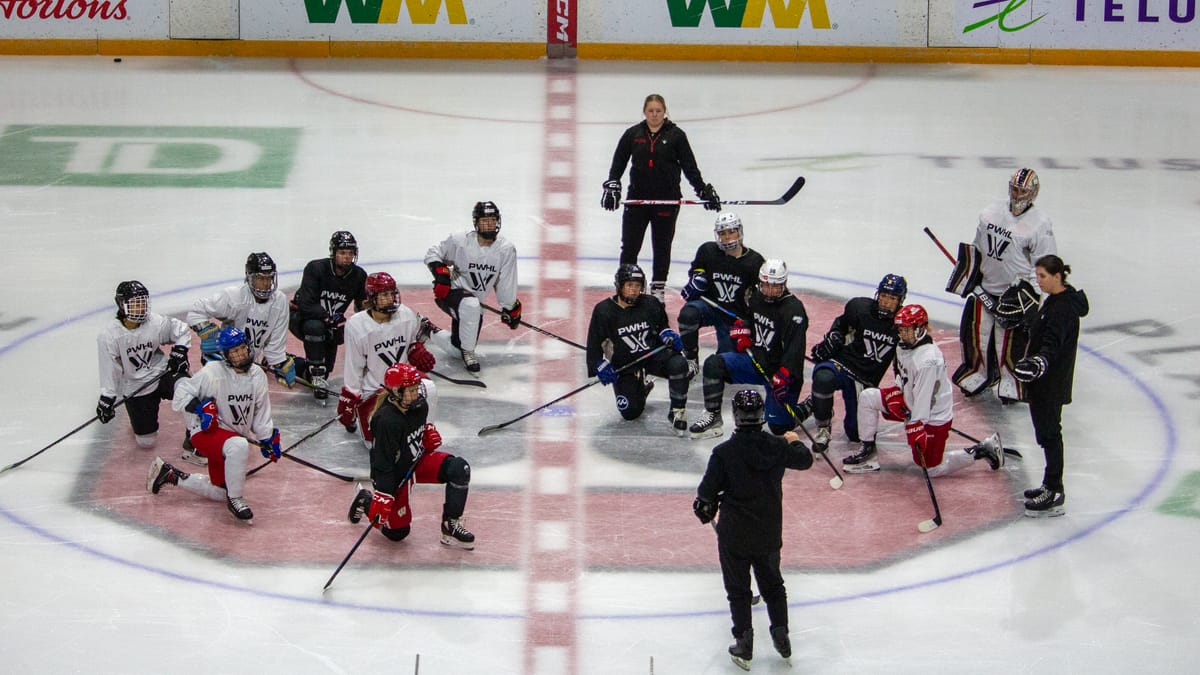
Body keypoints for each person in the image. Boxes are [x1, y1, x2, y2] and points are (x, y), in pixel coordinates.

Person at [693, 389, 813, 670]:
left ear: (735, 416)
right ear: (761, 416)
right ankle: (781, 634)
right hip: (768, 530)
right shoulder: (777, 446)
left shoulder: (723, 453)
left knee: (738, 590)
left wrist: (705, 508)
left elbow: (705, 495)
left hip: (734, 533)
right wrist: (793, 440)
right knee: (773, 585)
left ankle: (744, 644)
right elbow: (805, 460)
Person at [844, 304, 1003, 475]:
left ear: (920, 329)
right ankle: (868, 450)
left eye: (907, 329)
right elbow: (902, 374)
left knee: (930, 469)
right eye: (900, 329)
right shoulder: (902, 345)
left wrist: (917, 426)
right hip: (911, 401)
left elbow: (924, 399)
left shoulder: (928, 360)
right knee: (868, 397)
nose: (903, 334)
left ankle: (982, 450)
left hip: (933, 415)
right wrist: (899, 392)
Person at [148, 327, 281, 522]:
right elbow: (182, 392)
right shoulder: (213, 372)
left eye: (243, 348)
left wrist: (267, 437)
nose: (241, 354)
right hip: (206, 433)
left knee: (220, 491)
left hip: (230, 437)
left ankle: (170, 475)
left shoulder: (257, 375)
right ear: (226, 355)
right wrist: (200, 408)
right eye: (234, 351)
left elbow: (260, 410)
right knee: (239, 445)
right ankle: (236, 499)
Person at [949, 168, 1056, 403]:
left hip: (1014, 295)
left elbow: (1044, 262)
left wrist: (1031, 293)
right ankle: (978, 372)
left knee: (1010, 341)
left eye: (1023, 190)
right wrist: (969, 271)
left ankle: (1011, 381)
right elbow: (978, 246)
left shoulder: (1040, 224)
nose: (1017, 195)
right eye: (1015, 189)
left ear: (1034, 192)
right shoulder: (990, 213)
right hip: (985, 286)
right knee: (977, 333)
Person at [602, 93, 720, 303]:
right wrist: (612, 185)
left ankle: (658, 286)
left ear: (664, 112)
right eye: (650, 111)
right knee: (630, 245)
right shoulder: (633, 134)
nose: (655, 115)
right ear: (644, 112)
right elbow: (618, 163)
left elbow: (689, 167)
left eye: (658, 111)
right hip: (637, 201)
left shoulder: (676, 136)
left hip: (667, 201)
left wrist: (702, 190)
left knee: (662, 245)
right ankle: (625, 283)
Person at [184, 252, 297, 465]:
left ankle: (228, 440)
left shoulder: (280, 301)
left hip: (250, 361)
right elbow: (196, 311)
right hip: (221, 359)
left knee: (242, 403)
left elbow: (275, 342)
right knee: (213, 402)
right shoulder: (233, 297)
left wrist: (279, 362)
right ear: (249, 277)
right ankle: (194, 439)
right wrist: (207, 331)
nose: (265, 284)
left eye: (268, 278)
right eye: (259, 278)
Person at [346, 363, 475, 549]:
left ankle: (450, 526)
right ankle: (365, 500)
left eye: (416, 388)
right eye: (411, 390)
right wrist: (383, 494)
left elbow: (418, 431)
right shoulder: (386, 421)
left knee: (459, 468)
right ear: (396, 391)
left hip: (417, 461)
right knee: (398, 533)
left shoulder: (419, 406)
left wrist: (427, 437)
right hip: (397, 473)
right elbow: (382, 462)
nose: (416, 394)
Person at [690, 259, 808, 439]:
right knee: (714, 365)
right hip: (755, 361)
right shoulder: (756, 296)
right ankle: (713, 415)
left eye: (776, 286)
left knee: (779, 427)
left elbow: (795, 350)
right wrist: (743, 329)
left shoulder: (794, 310)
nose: (770, 290)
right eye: (766, 285)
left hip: (781, 373)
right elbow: (748, 319)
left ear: (784, 284)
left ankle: (807, 406)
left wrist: (784, 376)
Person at [1013, 255, 1089, 517]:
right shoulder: (1055, 301)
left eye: (1043, 276)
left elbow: (1053, 344)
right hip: (1043, 383)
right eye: (1037, 276)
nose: (1039, 282)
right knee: (1046, 434)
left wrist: (1039, 362)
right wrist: (1028, 318)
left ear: (1058, 276)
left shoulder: (1064, 308)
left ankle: (1055, 489)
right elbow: (1043, 330)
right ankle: (1049, 484)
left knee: (1050, 434)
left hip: (1051, 384)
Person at [804, 274, 906, 453]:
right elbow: (840, 324)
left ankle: (816, 403)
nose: (885, 302)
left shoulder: (903, 324)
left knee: (857, 434)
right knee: (823, 377)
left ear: (900, 300)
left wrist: (904, 392)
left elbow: (903, 363)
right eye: (883, 295)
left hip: (865, 381)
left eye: (891, 298)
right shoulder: (860, 308)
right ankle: (823, 427)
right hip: (844, 364)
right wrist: (834, 335)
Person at [585, 263, 691, 435]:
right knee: (630, 412)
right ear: (619, 286)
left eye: (637, 286)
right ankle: (640, 387)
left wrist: (667, 334)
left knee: (678, 363)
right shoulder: (603, 310)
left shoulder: (651, 303)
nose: (634, 290)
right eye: (629, 286)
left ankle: (677, 411)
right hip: (625, 363)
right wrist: (599, 364)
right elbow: (594, 344)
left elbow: (663, 326)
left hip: (652, 356)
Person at [338, 272, 438, 446]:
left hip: (405, 385)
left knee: (429, 387)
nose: (391, 298)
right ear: (372, 298)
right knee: (379, 446)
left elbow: (413, 342)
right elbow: (353, 366)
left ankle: (425, 430)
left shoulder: (405, 314)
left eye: (392, 293)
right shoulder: (357, 325)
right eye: (385, 294)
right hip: (376, 391)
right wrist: (350, 396)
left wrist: (416, 350)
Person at [423, 201, 521, 373]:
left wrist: (510, 307)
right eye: (485, 220)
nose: (489, 224)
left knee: (455, 350)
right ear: (476, 222)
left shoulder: (506, 249)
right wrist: (441, 275)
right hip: (451, 293)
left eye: (493, 220)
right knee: (471, 305)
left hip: (474, 306)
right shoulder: (460, 240)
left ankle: (426, 328)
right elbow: (433, 253)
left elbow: (506, 281)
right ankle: (469, 352)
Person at [96, 281, 192, 448]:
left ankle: (194, 438)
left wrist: (180, 350)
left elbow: (181, 331)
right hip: (136, 386)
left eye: (143, 303)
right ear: (121, 305)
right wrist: (107, 397)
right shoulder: (109, 335)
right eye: (134, 304)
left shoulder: (155, 322)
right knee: (146, 442)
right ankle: (139, 422)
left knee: (189, 389)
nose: (140, 309)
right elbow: (109, 369)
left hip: (163, 373)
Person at [677, 212, 765, 376]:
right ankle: (690, 359)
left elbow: (761, 301)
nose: (727, 237)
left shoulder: (755, 261)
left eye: (731, 231)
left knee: (722, 364)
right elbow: (696, 272)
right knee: (688, 314)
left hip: (734, 318)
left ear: (740, 231)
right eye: (722, 233)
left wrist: (748, 324)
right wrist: (696, 283)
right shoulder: (708, 251)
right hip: (709, 307)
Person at [289, 230, 368, 402]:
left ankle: (295, 365)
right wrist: (327, 317)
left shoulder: (359, 275)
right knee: (315, 327)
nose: (347, 257)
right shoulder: (316, 268)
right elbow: (306, 304)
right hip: (301, 318)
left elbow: (362, 307)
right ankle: (317, 374)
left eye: (350, 253)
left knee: (326, 366)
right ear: (333, 253)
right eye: (342, 253)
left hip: (330, 324)